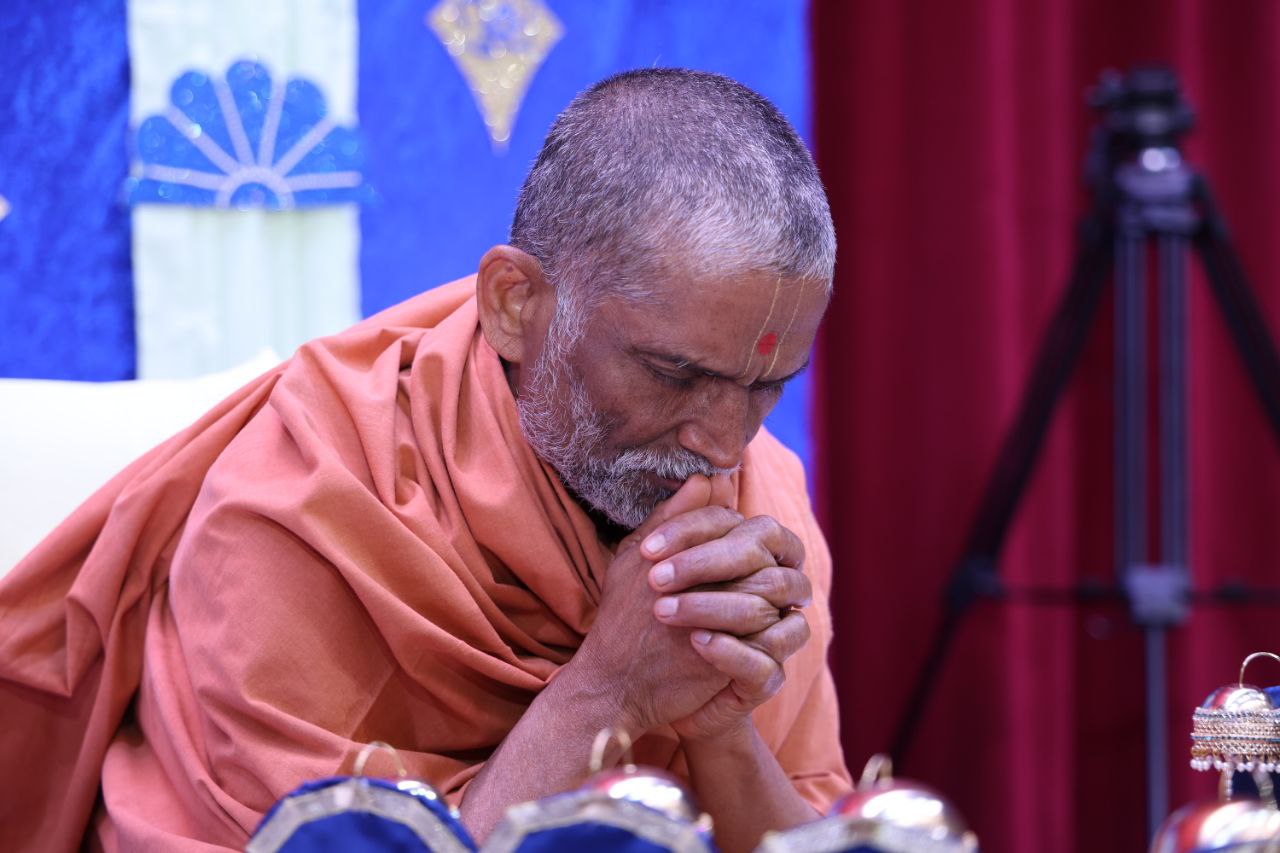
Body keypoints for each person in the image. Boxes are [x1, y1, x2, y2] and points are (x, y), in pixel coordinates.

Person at [0, 68, 850, 852]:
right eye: (673, 375)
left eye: (766, 387)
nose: (724, 444)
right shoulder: (306, 505)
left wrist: (719, 725)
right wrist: (607, 689)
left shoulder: (761, 505)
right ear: (514, 304)